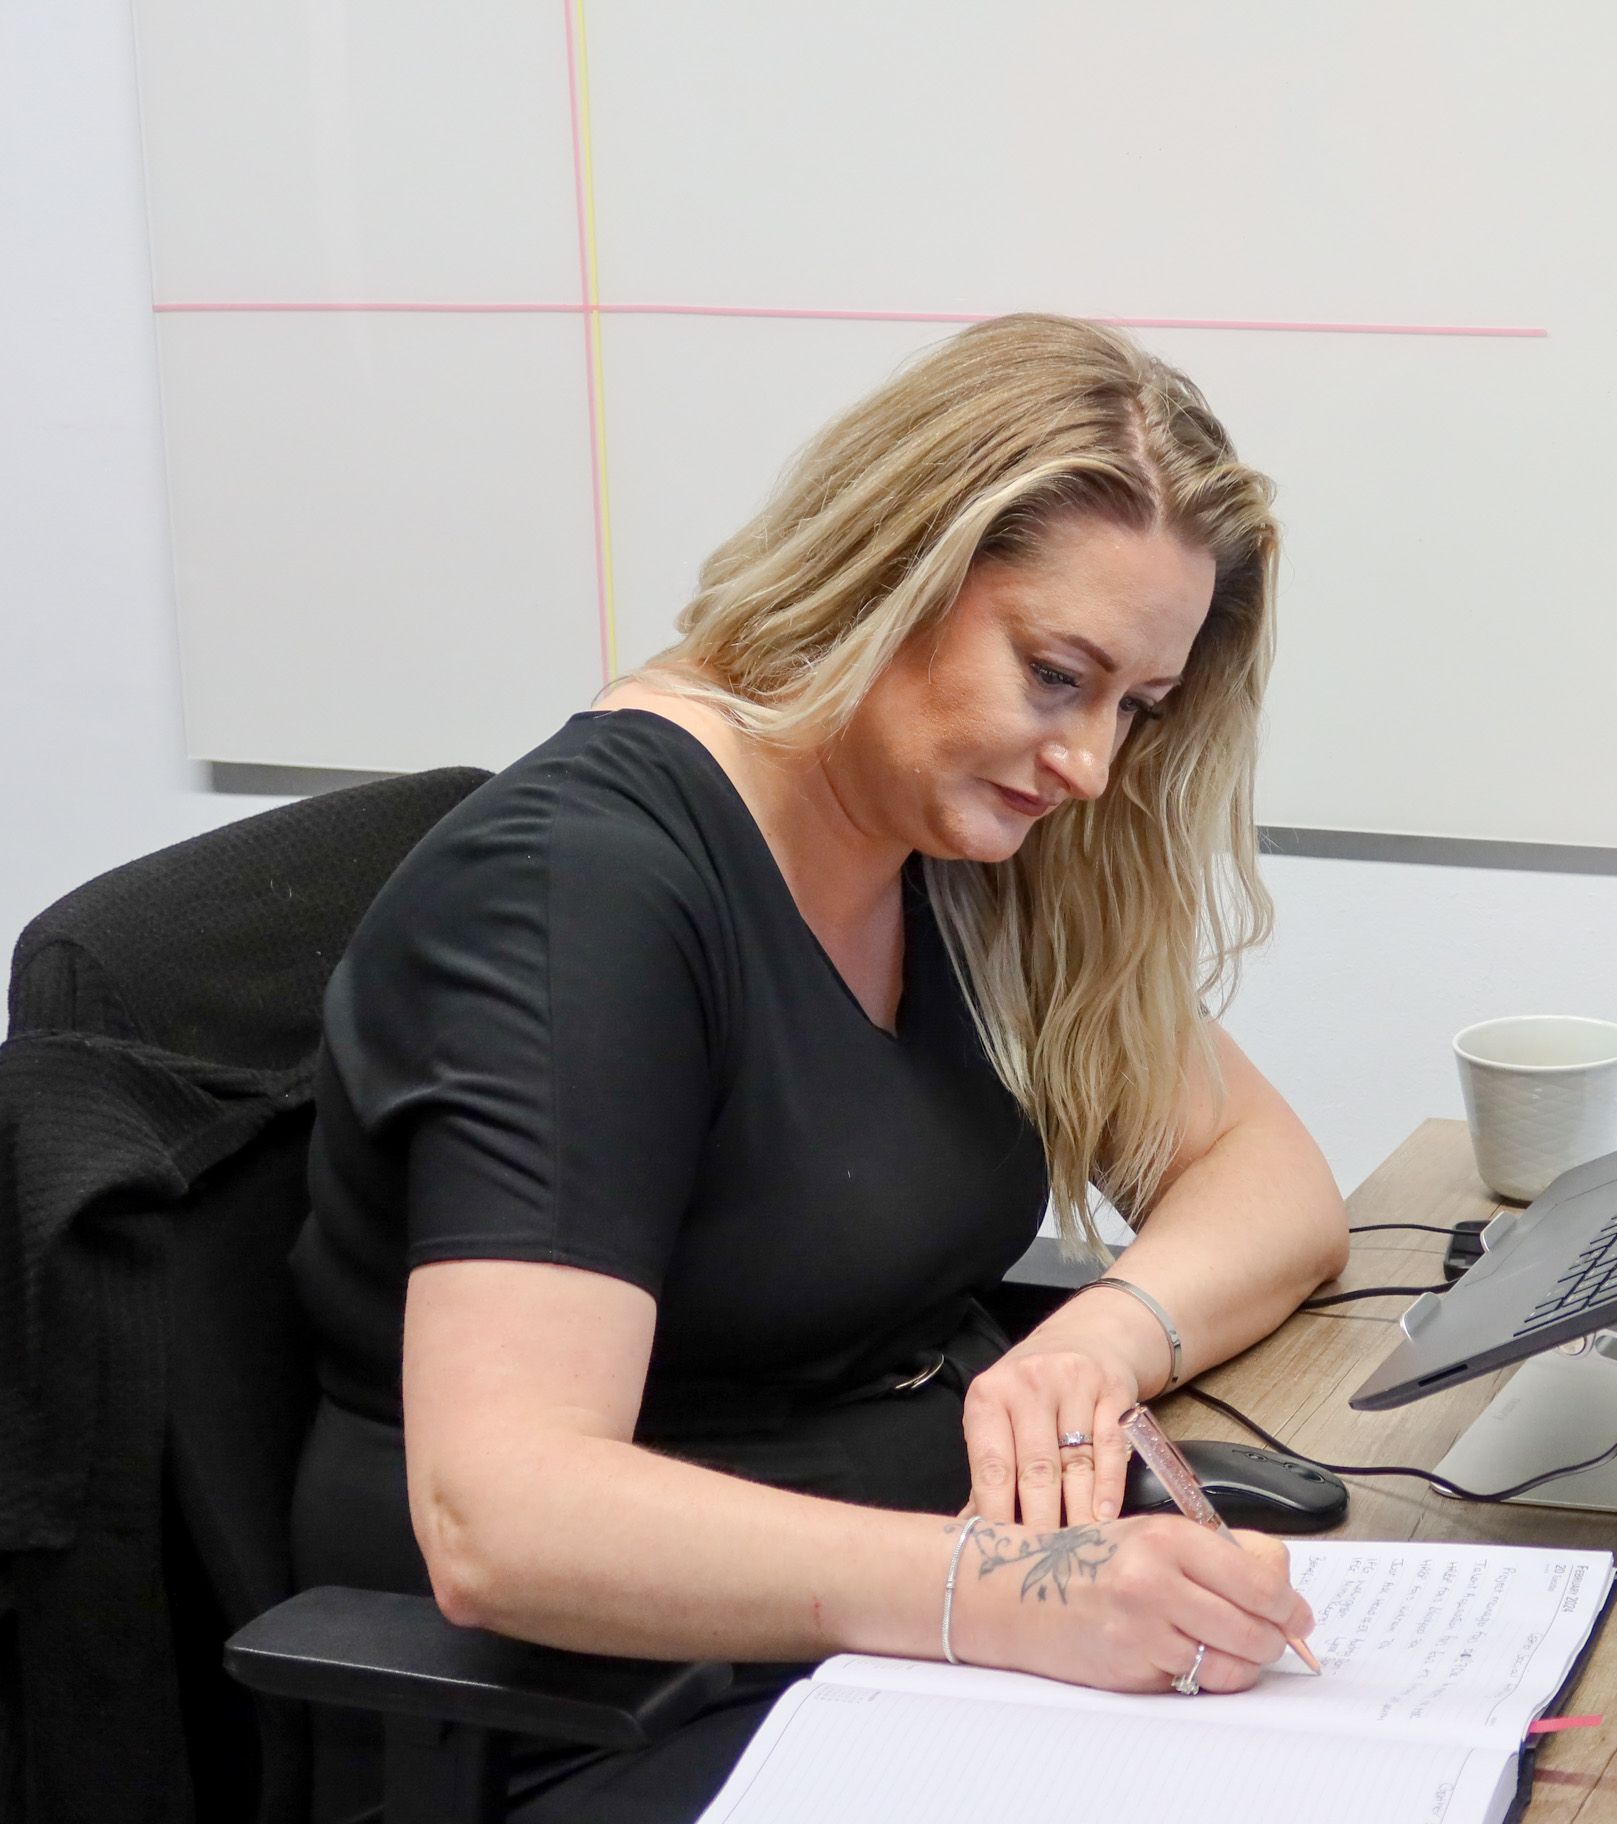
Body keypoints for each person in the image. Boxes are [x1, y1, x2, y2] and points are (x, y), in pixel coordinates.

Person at [287, 312, 1353, 1819]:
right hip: (608, 1706)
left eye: (1137, 708)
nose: (1093, 766)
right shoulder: (576, 897)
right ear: (892, 574)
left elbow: (1268, 1176)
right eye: (1056, 674)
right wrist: (1008, 1591)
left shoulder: (951, 837)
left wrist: (1096, 1343)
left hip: (887, 1623)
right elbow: (502, 1517)